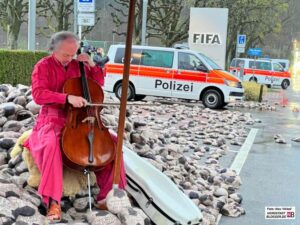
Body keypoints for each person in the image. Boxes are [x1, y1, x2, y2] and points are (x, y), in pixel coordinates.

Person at [23, 31, 127, 222]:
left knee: (113, 143)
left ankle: (107, 196)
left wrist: (92, 64)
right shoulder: (43, 66)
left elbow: (97, 84)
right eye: (66, 55)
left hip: (83, 119)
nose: (70, 59)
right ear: (53, 49)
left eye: (73, 54)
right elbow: (39, 95)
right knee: (52, 143)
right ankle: (52, 201)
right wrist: (67, 98)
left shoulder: (78, 65)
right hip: (52, 118)